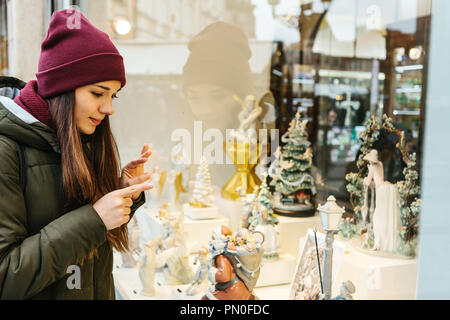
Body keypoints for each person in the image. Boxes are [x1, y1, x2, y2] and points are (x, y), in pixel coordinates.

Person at [0, 9, 153, 299]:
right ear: (62, 89)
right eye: (98, 93)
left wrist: (119, 195)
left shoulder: (79, 138)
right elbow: (6, 276)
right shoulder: (6, 150)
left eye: (113, 95)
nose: (109, 108)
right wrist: (94, 219)